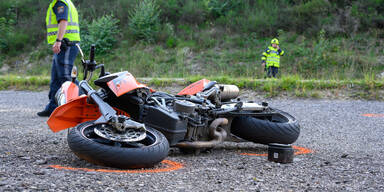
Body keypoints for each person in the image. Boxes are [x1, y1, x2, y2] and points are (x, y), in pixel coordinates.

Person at [37, 0, 80, 117]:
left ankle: (83, 103)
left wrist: (58, 41)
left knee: (66, 77)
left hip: (66, 44)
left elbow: (63, 21)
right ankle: (52, 107)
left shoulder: (60, 2)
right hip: (65, 44)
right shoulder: (65, 2)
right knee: (55, 79)